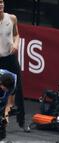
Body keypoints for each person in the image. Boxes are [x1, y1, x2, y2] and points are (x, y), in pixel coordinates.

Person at [0, 0, 28, 132]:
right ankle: (3, 118)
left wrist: (16, 44)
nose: (0, 5)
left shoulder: (11, 18)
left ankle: (22, 122)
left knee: (18, 87)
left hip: (10, 58)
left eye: (1, 2)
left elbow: (16, 34)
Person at [0, 70, 16, 139]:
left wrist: (6, 116)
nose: (7, 91)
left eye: (8, 90)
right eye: (6, 89)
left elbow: (10, 103)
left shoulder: (13, 84)